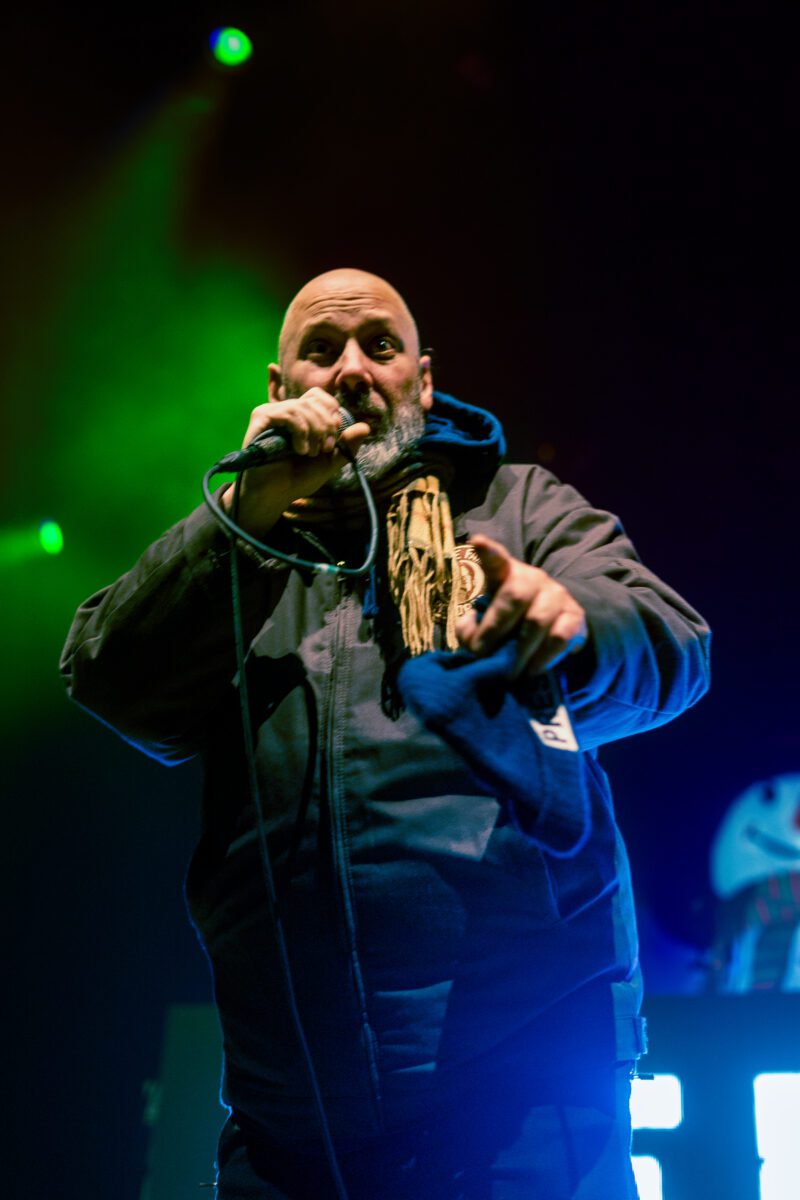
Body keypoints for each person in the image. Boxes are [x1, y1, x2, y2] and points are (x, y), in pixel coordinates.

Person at [61, 268, 711, 1199]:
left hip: (523, 1095)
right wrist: (241, 518)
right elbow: (113, 682)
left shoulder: (515, 506)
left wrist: (576, 626)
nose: (353, 369)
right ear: (280, 387)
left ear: (425, 380)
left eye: (380, 346)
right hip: (289, 1119)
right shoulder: (241, 544)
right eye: (322, 351)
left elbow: (675, 643)